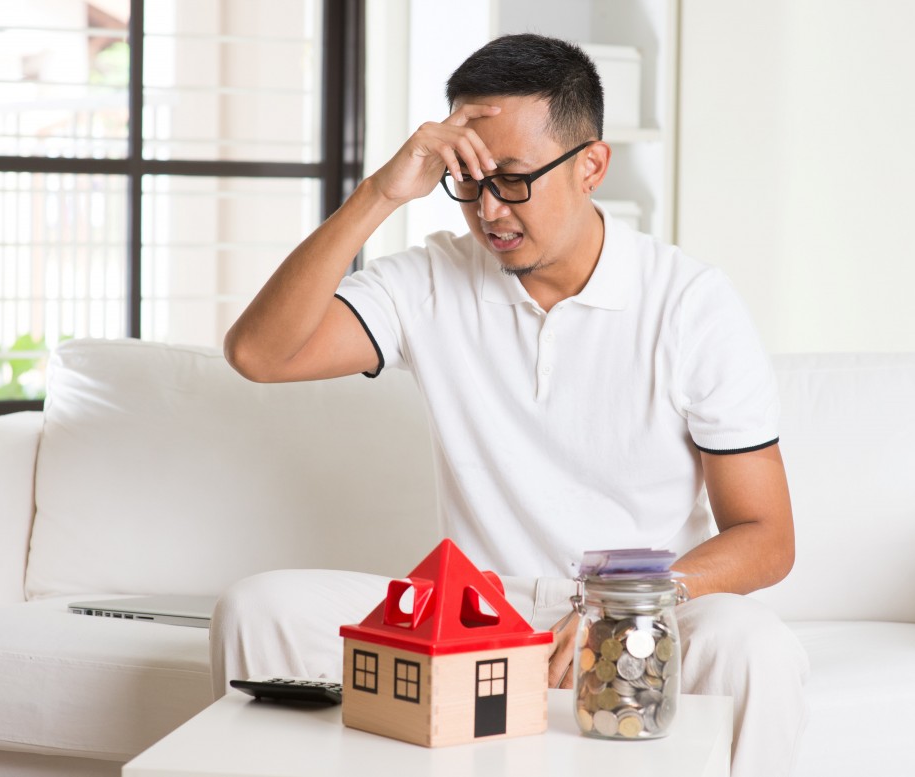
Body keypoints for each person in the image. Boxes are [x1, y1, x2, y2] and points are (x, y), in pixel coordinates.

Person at [215, 33, 808, 776]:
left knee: (753, 645)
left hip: (642, 609)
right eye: (467, 180)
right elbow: (259, 354)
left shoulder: (689, 303)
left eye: (515, 180)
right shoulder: (430, 279)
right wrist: (381, 194)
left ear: (592, 165)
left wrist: (620, 606)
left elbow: (766, 536)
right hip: (480, 611)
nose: (489, 209)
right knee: (260, 610)